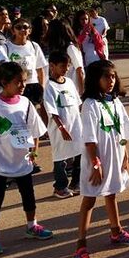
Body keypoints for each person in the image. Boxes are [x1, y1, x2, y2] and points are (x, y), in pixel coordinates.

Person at [0, 62, 52, 256]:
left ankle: (31, 226)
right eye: (18, 82)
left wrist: (34, 151)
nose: (22, 86)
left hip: (23, 162)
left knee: (29, 196)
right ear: (4, 82)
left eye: (24, 81)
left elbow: (35, 131)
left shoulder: (26, 104)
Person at [73, 60, 129, 258]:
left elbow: (121, 133)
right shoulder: (90, 105)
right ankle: (81, 247)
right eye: (105, 77)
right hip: (98, 159)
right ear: (95, 80)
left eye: (112, 76)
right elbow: (90, 138)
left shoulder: (114, 102)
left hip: (114, 156)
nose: (110, 81)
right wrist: (95, 162)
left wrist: (124, 152)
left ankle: (116, 230)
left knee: (111, 193)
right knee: (90, 199)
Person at [43, 51, 83, 198]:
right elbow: (52, 111)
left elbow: (77, 104)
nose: (66, 69)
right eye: (62, 66)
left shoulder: (70, 82)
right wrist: (61, 128)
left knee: (79, 153)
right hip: (60, 129)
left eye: (68, 66)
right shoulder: (50, 87)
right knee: (61, 158)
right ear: (52, 66)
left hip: (75, 126)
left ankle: (76, 183)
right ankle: (60, 186)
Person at [5, 19, 49, 136]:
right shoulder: (6, 47)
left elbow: (40, 68)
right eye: (18, 27)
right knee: (17, 114)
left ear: (29, 30)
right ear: (13, 30)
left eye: (25, 27)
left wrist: (42, 86)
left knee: (31, 114)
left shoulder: (34, 46)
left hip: (32, 85)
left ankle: (32, 138)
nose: (22, 30)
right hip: (15, 87)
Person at [46, 19, 85, 94]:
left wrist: (81, 92)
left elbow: (79, 70)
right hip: (62, 88)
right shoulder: (60, 48)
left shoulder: (70, 48)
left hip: (73, 89)